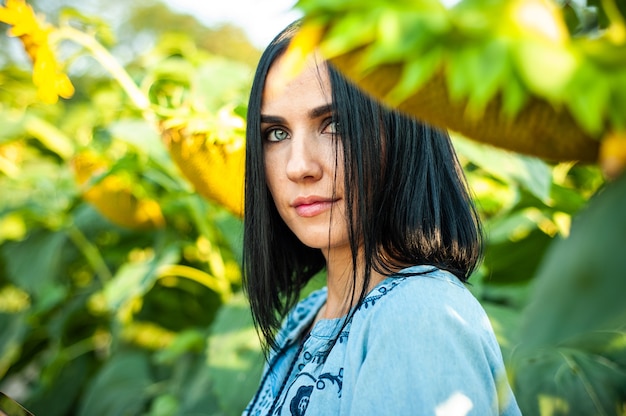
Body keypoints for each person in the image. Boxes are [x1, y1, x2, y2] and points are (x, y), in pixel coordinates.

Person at [242, 21, 521, 416]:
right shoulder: (307, 316)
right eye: (275, 133)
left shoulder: (418, 319)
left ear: (402, 130)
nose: (298, 166)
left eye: (334, 124)